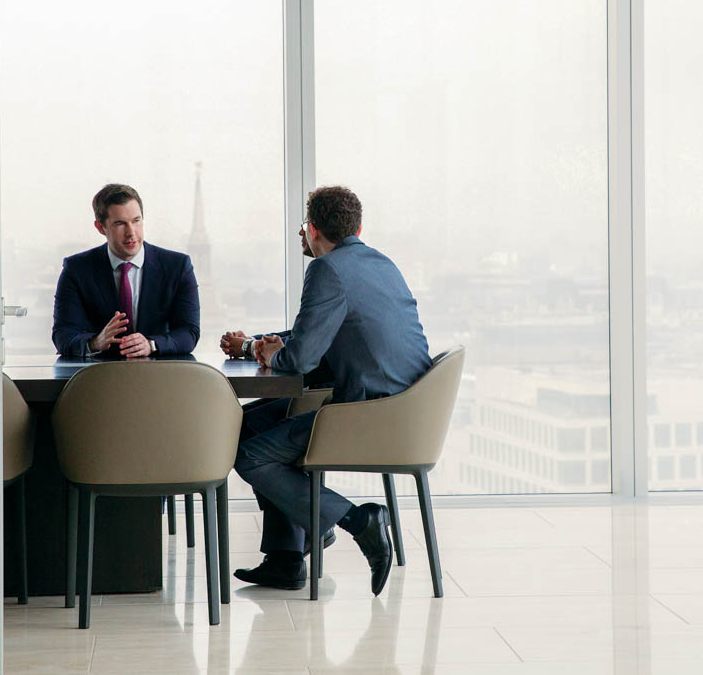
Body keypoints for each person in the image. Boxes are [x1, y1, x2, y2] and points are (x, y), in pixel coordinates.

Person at [229, 186, 431, 596]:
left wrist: (273, 354)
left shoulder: (327, 270)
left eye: (303, 228)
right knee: (246, 425)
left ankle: (357, 521)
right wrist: (257, 345)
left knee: (249, 454)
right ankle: (287, 557)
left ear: (313, 229)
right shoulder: (381, 263)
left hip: (371, 414)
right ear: (358, 227)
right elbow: (319, 335)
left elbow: (300, 359)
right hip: (408, 410)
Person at [51, 183, 200, 359]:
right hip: (100, 377)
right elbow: (63, 334)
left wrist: (151, 345)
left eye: (136, 221)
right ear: (100, 227)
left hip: (160, 376)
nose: (131, 232)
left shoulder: (178, 266)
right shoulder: (76, 270)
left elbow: (189, 332)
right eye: (120, 223)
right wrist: (95, 342)